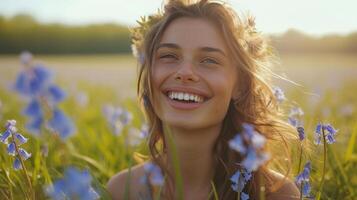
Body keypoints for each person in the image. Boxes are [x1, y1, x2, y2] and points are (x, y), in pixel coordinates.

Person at [107, 0, 300, 199]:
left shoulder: (275, 194)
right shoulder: (122, 190)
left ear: (240, 85)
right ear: (149, 75)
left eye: (209, 60)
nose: (184, 73)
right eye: (169, 56)